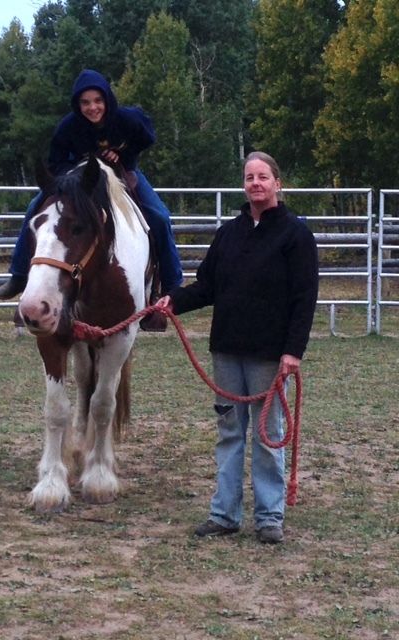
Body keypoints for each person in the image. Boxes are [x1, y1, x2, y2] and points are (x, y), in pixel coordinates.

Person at [158, 151, 318, 544]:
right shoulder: (228, 234)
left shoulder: (295, 235)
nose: (256, 184)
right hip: (227, 350)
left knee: (267, 434)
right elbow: (207, 286)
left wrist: (293, 352)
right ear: (244, 185)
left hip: (269, 354)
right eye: (249, 177)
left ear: (277, 183)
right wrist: (174, 301)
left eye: (263, 176)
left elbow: (304, 299)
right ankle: (225, 514)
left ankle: (269, 517)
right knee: (229, 431)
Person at [0, 68, 183, 301]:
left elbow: (148, 137)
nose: (93, 107)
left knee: (160, 216)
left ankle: (172, 284)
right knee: (34, 208)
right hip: (81, 179)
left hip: (123, 172)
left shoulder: (127, 118)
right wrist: (77, 172)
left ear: (107, 99)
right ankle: (19, 275)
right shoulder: (68, 127)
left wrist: (123, 154)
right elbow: (55, 162)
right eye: (85, 102)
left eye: (98, 100)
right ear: (77, 104)